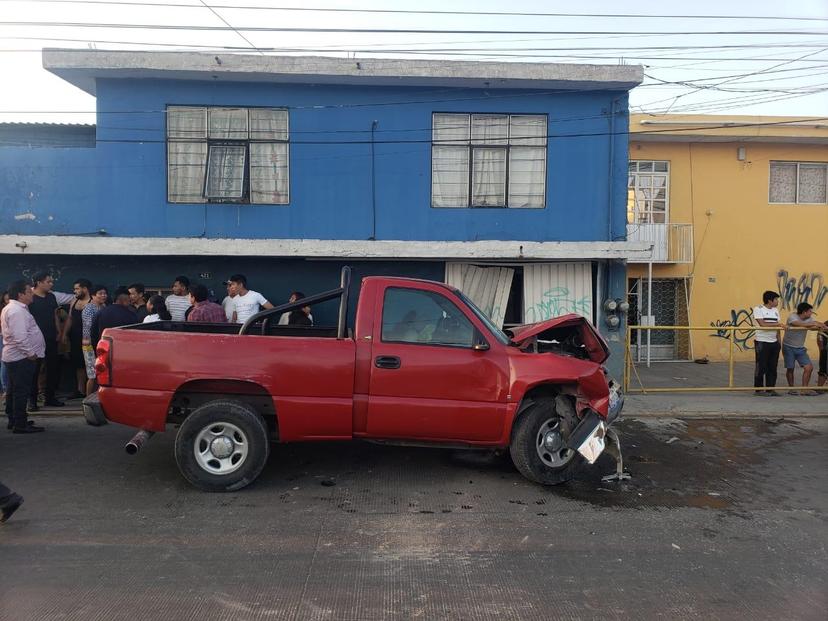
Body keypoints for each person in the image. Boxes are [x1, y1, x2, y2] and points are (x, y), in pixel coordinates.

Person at [2, 280, 45, 433]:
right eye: (28, 291)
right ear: (21, 294)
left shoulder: (16, 309)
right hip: (21, 358)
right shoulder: (16, 311)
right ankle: (20, 424)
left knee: (14, 390)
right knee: (20, 391)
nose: (31, 293)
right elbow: (20, 337)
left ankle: (14, 419)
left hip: (17, 357)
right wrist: (31, 354)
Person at [27, 271, 64, 408]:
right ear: (38, 282)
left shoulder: (51, 297)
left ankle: (50, 397)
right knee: (35, 369)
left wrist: (59, 331)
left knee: (52, 368)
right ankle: (32, 400)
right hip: (35, 340)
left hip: (51, 337)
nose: (51, 284)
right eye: (48, 281)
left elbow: (55, 315)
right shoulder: (30, 298)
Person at [783, 302, 827, 396]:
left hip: (800, 348)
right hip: (788, 346)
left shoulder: (809, 319)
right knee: (790, 368)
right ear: (804, 312)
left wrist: (819, 325)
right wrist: (813, 324)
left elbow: (815, 326)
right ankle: (791, 389)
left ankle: (804, 389)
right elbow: (797, 323)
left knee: (809, 368)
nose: (811, 313)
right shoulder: (793, 317)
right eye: (810, 311)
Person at [59, 278, 92, 399]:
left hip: (89, 339)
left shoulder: (93, 302)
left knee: (90, 364)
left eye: (77, 288)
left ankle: (91, 390)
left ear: (85, 289)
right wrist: (64, 334)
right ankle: (80, 390)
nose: (75, 291)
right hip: (75, 337)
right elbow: (70, 319)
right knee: (78, 364)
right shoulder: (74, 301)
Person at [752, 290, 783, 396]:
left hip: (774, 342)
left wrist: (779, 342)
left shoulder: (775, 310)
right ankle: (759, 389)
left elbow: (778, 328)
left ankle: (770, 388)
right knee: (761, 366)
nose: (777, 301)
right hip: (761, 341)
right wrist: (778, 324)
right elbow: (762, 324)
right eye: (776, 299)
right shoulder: (758, 309)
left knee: (772, 367)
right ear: (770, 300)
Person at [81, 285, 107, 396]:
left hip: (101, 344)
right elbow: (88, 328)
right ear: (93, 296)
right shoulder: (89, 309)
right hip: (90, 345)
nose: (104, 296)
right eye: (100, 293)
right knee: (92, 374)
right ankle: (87, 401)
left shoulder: (104, 307)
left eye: (105, 293)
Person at [0, 291, 9, 398]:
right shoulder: (3, 310)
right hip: (3, 337)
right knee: (4, 364)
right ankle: (6, 389)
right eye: (6, 300)